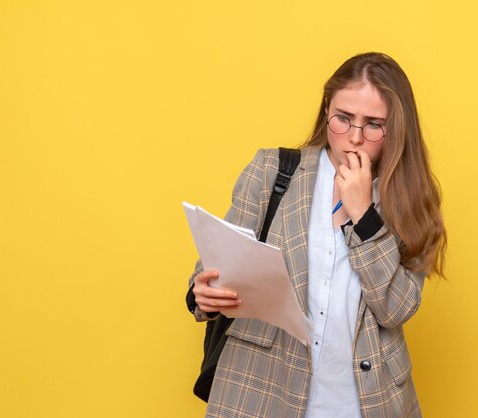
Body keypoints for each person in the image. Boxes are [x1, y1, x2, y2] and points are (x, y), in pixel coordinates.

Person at [187, 52, 447, 418]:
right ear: (327, 109)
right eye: (343, 119)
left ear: (397, 128)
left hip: (363, 401)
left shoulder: (412, 200)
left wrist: (362, 215)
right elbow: (215, 266)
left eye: (374, 125)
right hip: (262, 389)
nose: (354, 138)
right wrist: (204, 292)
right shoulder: (273, 171)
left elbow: (397, 309)